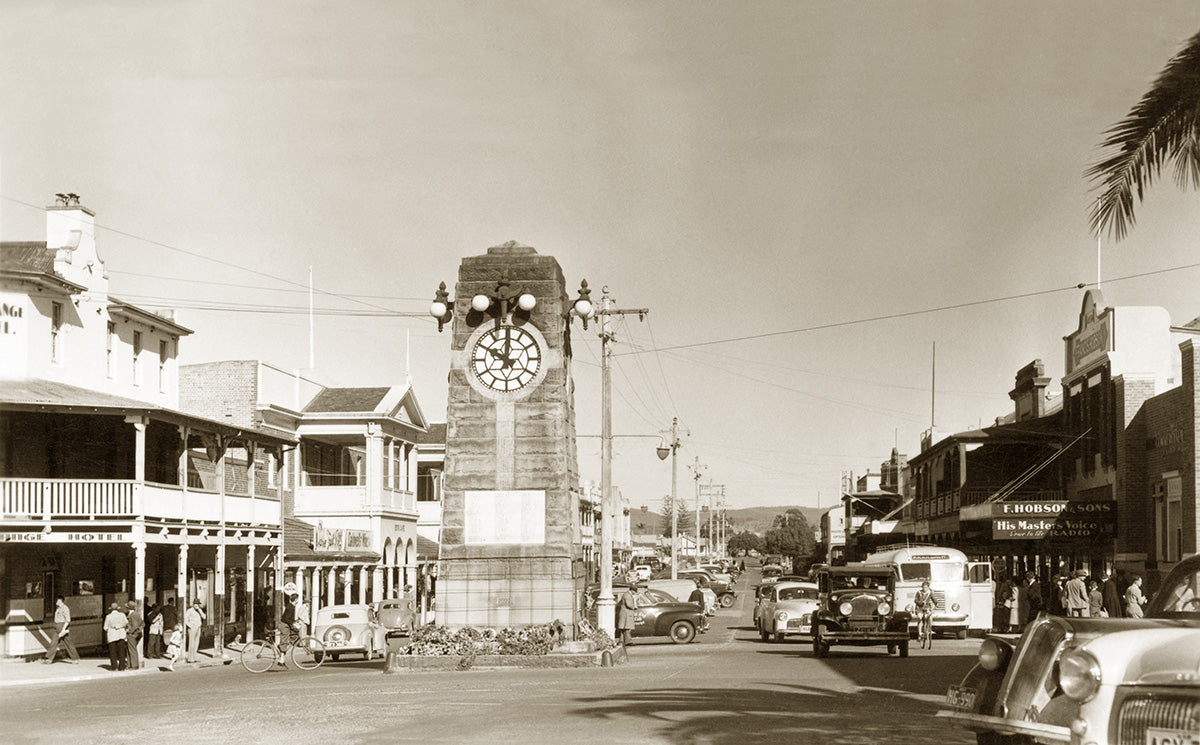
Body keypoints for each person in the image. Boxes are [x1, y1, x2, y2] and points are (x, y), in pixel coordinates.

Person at [42, 596, 80, 665]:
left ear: (60, 601)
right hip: (57, 627)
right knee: (54, 642)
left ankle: (75, 659)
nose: (56, 602)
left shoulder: (65, 608)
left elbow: (68, 620)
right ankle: (49, 659)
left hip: (63, 626)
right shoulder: (58, 608)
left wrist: (63, 630)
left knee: (68, 643)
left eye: (57, 600)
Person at [103, 602, 129, 671]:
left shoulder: (108, 616)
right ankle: (122, 667)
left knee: (113, 652)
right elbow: (126, 623)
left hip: (112, 636)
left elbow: (105, 627)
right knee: (121, 652)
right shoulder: (122, 615)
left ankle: (114, 667)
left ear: (111, 609)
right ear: (118, 608)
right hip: (121, 635)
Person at [913, 580, 935, 645]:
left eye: (926, 587)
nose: (924, 588)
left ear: (928, 587)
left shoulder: (930, 592)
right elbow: (915, 600)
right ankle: (920, 633)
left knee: (930, 617)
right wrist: (920, 603)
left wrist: (936, 603)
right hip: (919, 608)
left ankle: (928, 630)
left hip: (927, 608)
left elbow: (934, 599)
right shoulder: (919, 592)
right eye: (923, 587)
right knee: (920, 618)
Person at [125, 600, 143, 669]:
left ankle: (134, 665)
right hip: (136, 633)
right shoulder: (137, 614)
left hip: (132, 634)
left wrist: (129, 631)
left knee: (132, 649)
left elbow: (135, 626)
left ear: (128, 608)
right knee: (130, 649)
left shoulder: (133, 615)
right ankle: (130, 664)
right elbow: (142, 623)